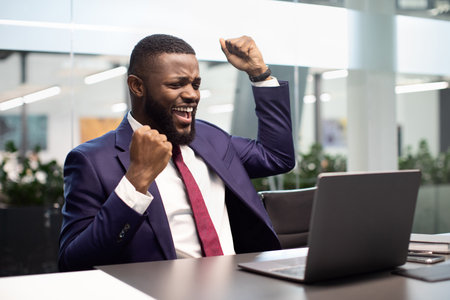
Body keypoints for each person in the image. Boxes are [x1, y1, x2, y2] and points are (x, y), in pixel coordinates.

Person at [59, 34, 295, 271]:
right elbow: (74, 263)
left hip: (238, 284)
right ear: (137, 86)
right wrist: (135, 182)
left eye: (195, 84)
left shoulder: (211, 138)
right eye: (176, 84)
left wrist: (260, 74)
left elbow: (277, 157)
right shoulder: (92, 161)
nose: (192, 94)